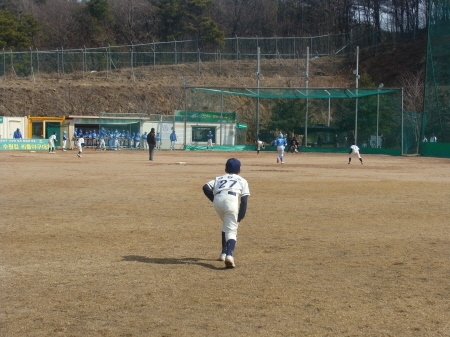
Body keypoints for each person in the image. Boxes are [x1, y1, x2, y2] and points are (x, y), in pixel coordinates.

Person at [202, 158, 250, 268]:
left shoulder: (219, 178)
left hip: (218, 200)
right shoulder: (242, 180)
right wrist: (240, 217)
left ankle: (223, 253)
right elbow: (244, 201)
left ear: (225, 169)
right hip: (231, 201)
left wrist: (214, 199)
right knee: (232, 230)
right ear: (239, 171)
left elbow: (206, 187)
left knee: (226, 225)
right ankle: (229, 255)